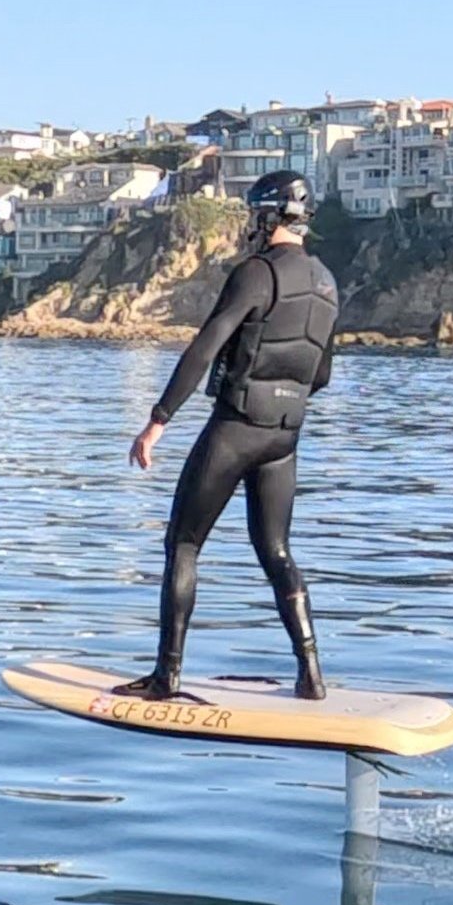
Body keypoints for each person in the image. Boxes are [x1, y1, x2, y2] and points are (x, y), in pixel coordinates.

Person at [122, 170, 339, 701]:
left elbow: (205, 347)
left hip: (236, 429)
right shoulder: (327, 283)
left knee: (183, 543)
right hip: (284, 437)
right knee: (277, 551)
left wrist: (158, 419)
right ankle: (311, 675)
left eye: (255, 215)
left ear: (269, 217)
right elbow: (321, 375)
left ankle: (166, 676)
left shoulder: (257, 273)